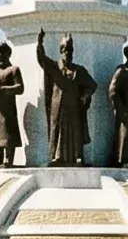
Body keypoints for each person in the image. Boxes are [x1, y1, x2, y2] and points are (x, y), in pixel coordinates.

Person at [35, 32, 97, 166]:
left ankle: (78, 156)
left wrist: (84, 97)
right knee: (58, 131)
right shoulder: (55, 67)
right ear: (61, 51)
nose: (67, 53)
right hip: (58, 106)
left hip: (74, 106)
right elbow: (42, 59)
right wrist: (39, 43)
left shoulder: (79, 70)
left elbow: (92, 85)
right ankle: (57, 157)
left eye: (70, 51)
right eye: (65, 50)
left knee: (75, 131)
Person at [0, 43, 26, 166]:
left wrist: (3, 89)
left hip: (7, 108)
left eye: (1, 55)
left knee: (8, 131)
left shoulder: (13, 70)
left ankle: (9, 156)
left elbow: (20, 88)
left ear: (8, 55)